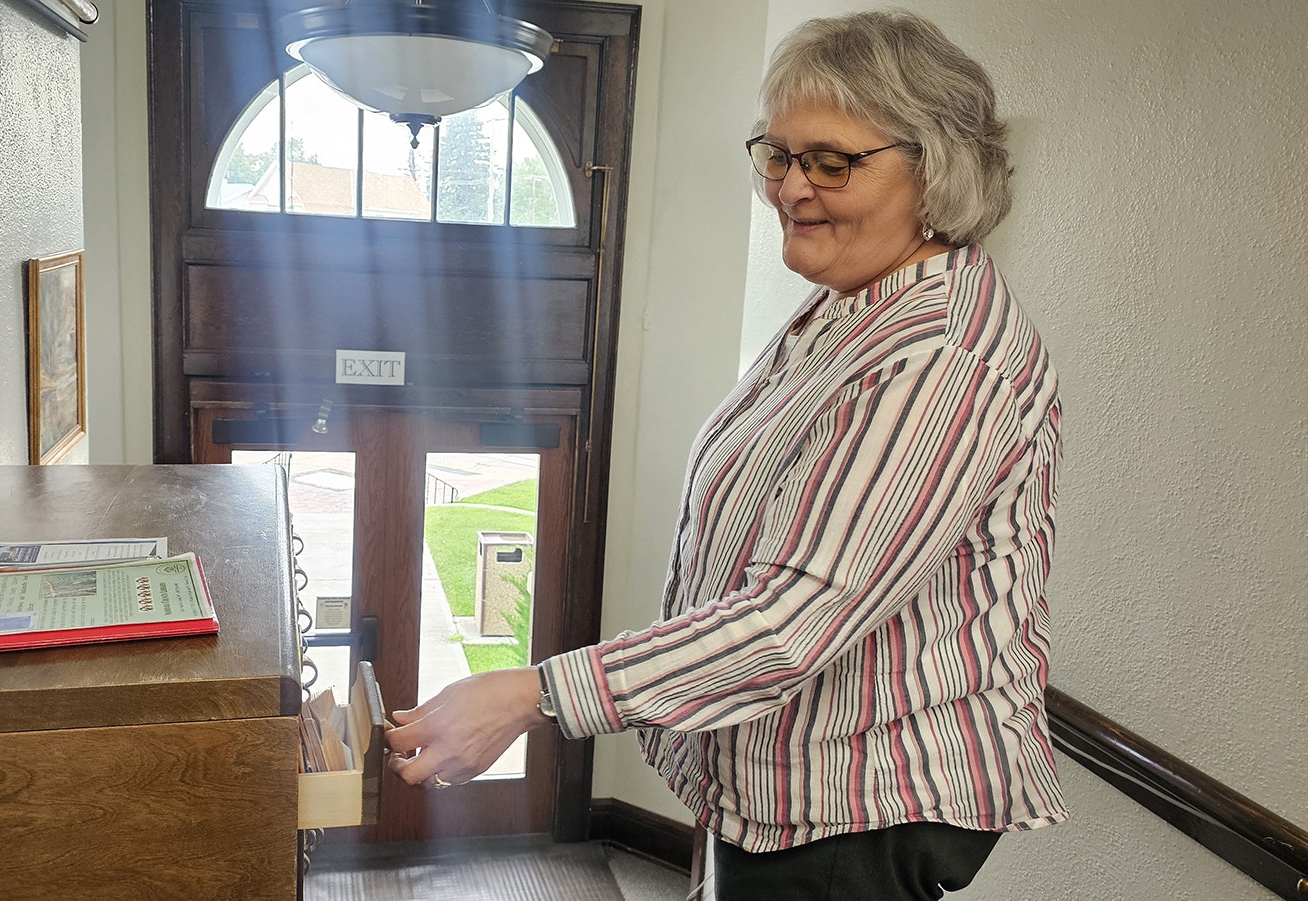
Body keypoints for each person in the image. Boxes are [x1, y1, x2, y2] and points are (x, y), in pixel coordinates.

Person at [387, 9, 1069, 898]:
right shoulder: (854, 301)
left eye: (831, 161)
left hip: (858, 805)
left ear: (936, 168)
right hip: (785, 780)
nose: (791, 188)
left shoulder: (939, 359)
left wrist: (532, 695)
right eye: (778, 156)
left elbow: (789, 622)